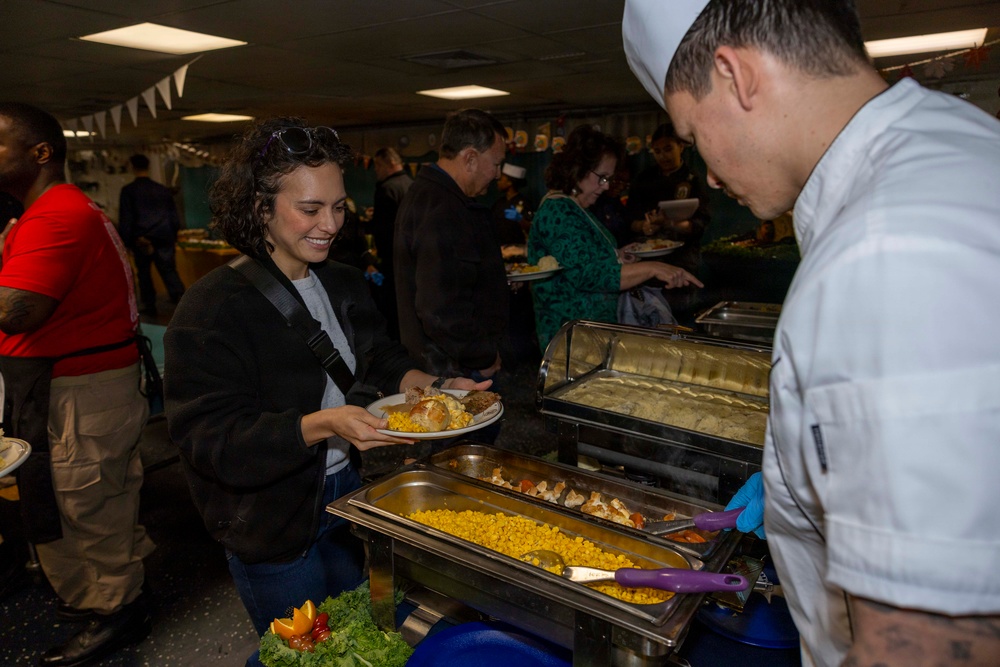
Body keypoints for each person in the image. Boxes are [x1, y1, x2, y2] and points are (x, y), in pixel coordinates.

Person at [623, 1, 1000, 666]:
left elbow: (931, 649)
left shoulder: (885, 251)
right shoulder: (959, 145)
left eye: (692, 133)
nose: (708, 173)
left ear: (736, 74)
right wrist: (799, 486)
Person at [163, 117, 490, 637]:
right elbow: (209, 439)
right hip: (269, 520)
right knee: (308, 651)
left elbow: (379, 358)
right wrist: (322, 424)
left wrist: (438, 389)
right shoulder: (212, 308)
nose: (331, 224)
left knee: (356, 631)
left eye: (338, 206)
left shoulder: (343, 281)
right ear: (260, 208)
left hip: (343, 493)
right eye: (310, 208)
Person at [0, 102, 154, 666]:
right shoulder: (49, 211)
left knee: (89, 504)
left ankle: (117, 611)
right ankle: (97, 594)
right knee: (79, 499)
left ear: (41, 152)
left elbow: (15, 311)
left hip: (81, 389)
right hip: (69, 384)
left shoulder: (56, 216)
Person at [526, 124, 702, 349]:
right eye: (602, 177)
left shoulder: (576, 208)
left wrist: (616, 255)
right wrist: (653, 268)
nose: (606, 186)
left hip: (589, 334)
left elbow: (581, 259)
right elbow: (588, 274)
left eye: (609, 178)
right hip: (571, 339)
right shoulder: (558, 210)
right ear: (578, 168)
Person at [394, 108, 510, 383]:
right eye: (496, 164)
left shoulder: (430, 195)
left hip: (446, 359)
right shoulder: (443, 210)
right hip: (454, 367)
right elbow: (440, 309)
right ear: (470, 158)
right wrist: (482, 355)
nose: (497, 174)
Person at [627, 121, 710, 279]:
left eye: (668, 149)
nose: (663, 156)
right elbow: (629, 218)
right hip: (647, 256)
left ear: (681, 147)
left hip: (683, 258)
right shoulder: (643, 179)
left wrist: (669, 224)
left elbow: (700, 222)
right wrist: (644, 226)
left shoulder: (693, 179)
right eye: (657, 151)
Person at [118, 154, 185, 316]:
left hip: (142, 240)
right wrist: (173, 234)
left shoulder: (129, 191)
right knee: (169, 271)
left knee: (144, 275)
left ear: (132, 167)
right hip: (164, 237)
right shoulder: (162, 189)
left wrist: (127, 241)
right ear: (148, 167)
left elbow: (126, 219)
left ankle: (150, 306)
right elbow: (174, 217)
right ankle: (184, 304)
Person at [369, 147, 412, 339]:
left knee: (392, 313)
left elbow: (383, 232)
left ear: (388, 164)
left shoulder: (387, 189)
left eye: (378, 166)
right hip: (413, 260)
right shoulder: (412, 185)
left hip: (393, 262)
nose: (376, 171)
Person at [490, 162, 533, 246]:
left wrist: (520, 219)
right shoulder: (499, 203)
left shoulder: (524, 202)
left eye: (501, 180)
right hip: (500, 247)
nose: (498, 182)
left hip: (518, 248)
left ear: (510, 183)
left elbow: (531, 229)